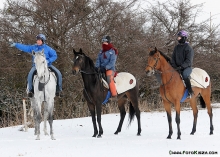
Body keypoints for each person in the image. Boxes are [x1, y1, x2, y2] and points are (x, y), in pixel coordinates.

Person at [171, 30, 194, 98]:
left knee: (185, 74)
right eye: (178, 37)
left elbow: (188, 61)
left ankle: (190, 91)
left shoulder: (189, 48)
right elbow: (173, 58)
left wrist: (181, 67)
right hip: (177, 67)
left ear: (184, 37)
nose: (178, 38)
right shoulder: (176, 47)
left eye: (179, 37)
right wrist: (174, 66)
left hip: (187, 68)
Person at [95, 35, 118, 102]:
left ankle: (114, 95)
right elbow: (98, 60)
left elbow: (112, 62)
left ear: (108, 42)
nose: (103, 43)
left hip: (110, 69)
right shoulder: (101, 52)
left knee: (109, 78)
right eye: (103, 42)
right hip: (101, 68)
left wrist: (106, 67)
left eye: (105, 42)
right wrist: (97, 67)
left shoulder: (113, 51)